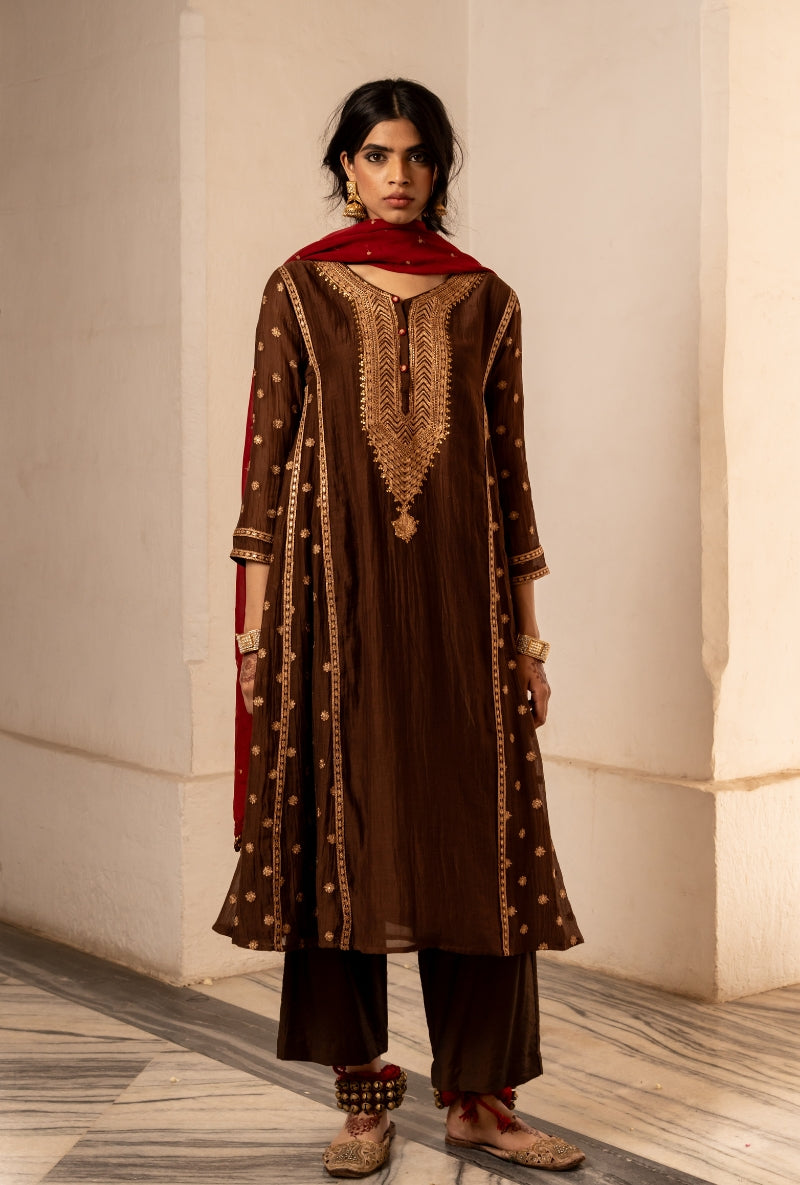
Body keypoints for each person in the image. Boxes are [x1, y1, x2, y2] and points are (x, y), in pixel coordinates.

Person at [214, 78, 585, 1176]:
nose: (396, 176)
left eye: (417, 157)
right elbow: (264, 470)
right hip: (334, 616)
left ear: (441, 170)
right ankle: (363, 1099)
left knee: (485, 840)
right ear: (344, 165)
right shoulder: (297, 290)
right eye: (376, 155)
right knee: (345, 832)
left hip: (464, 619)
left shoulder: (490, 301)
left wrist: (525, 641)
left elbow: (508, 479)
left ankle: (479, 1097)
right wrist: (252, 634)